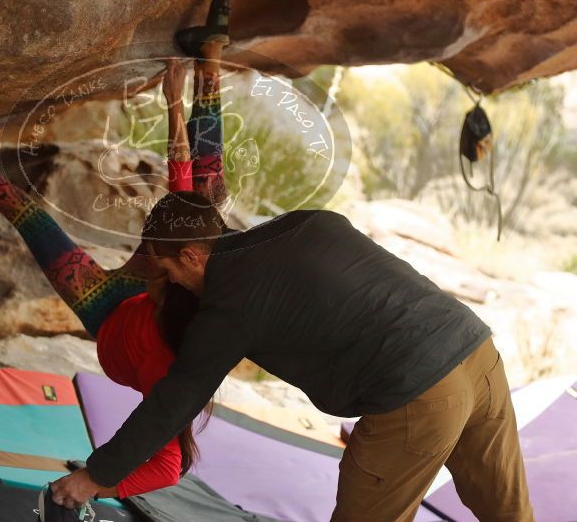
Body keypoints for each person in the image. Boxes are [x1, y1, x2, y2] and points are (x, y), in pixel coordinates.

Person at [52, 191, 535, 521]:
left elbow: (172, 402)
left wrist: (96, 476)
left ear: (193, 256)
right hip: (477, 351)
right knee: (507, 510)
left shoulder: (228, 306)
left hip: (418, 390)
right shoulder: (303, 222)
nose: (169, 283)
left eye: (167, 269)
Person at [0, 19, 231, 521]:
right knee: (207, 190)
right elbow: (183, 192)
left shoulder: (175, 380)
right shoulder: (193, 278)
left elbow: (169, 469)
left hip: (105, 312)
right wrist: (173, 105)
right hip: (148, 289)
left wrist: (94, 486)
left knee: (26, 214)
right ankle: (211, 59)